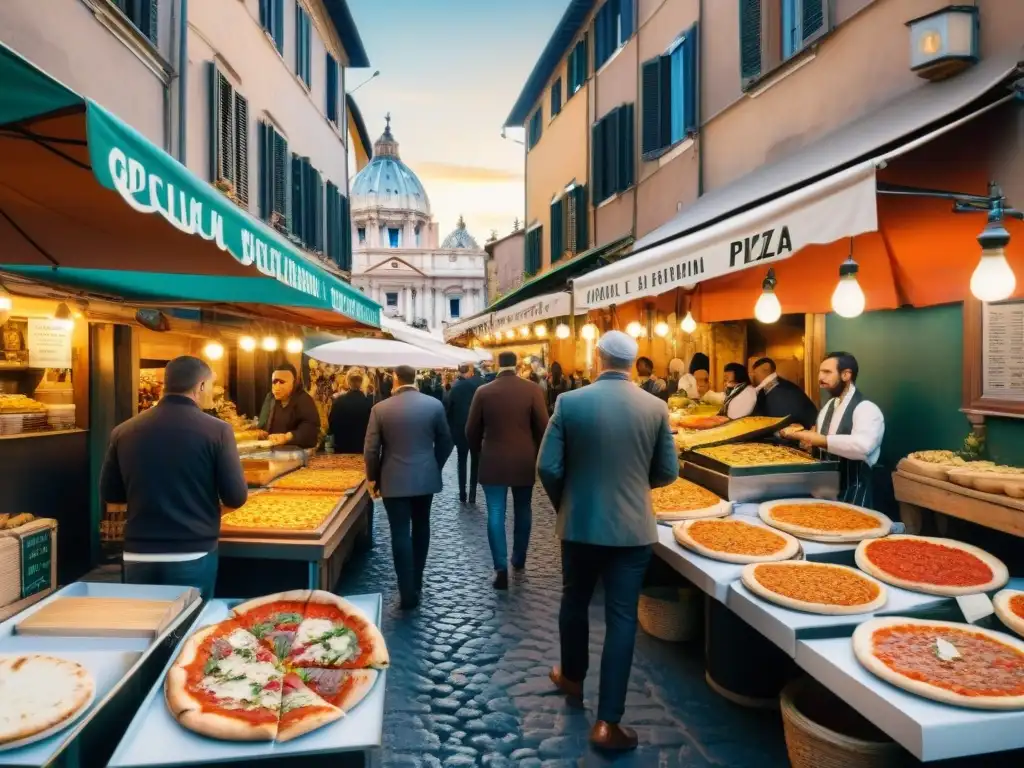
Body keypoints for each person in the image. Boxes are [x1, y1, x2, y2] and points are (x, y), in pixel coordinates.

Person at [537, 331, 678, 751]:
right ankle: (608, 723)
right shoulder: (655, 407)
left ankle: (572, 677)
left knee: (574, 602)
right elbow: (668, 471)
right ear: (634, 364)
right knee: (621, 620)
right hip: (632, 530)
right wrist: (637, 487)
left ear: (597, 357)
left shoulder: (570, 402)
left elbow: (547, 466)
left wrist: (567, 501)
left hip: (580, 524)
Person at [100, 356, 248, 600]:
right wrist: (206, 513)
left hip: (139, 553)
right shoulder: (218, 430)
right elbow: (236, 497)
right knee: (190, 630)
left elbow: (112, 497)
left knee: (144, 629)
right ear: (200, 386)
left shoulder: (123, 431)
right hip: (192, 552)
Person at [364, 365, 453, 609]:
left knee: (399, 532)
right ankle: (417, 579)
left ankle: (406, 591)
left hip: (393, 478)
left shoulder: (379, 409)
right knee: (422, 525)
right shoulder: (433, 405)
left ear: (395, 379)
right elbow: (446, 440)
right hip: (425, 477)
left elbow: (371, 449)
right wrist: (434, 463)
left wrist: (372, 477)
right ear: (414, 379)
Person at [467, 351, 549, 590]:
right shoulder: (532, 389)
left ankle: (500, 567)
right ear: (517, 365)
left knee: (495, 512)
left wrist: (479, 451)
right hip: (523, 459)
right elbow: (544, 428)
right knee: (523, 509)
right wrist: (534, 452)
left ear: (497, 365)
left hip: (493, 459)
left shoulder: (483, 392)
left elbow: (471, 430)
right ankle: (519, 558)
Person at [779, 352, 885, 506]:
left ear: (846, 375)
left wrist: (816, 439)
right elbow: (821, 435)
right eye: (820, 372)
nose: (820, 377)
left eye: (827, 372)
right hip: (824, 488)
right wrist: (806, 437)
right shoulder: (829, 405)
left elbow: (863, 447)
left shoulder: (866, 408)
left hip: (854, 491)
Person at [445, 363, 484, 504]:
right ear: (470, 371)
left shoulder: (455, 388)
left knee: (461, 461)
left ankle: (462, 493)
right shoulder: (479, 386)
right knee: (475, 461)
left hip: (460, 429)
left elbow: (448, 411)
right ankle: (472, 493)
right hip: (476, 429)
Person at [257, 362, 320, 448]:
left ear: (293, 383)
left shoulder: (303, 400)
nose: (277, 386)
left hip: (295, 453)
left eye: (282, 382)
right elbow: (262, 425)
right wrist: (261, 432)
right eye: (274, 382)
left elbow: (310, 430)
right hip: (270, 450)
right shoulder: (270, 398)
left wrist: (287, 437)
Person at [751, 357, 819, 430]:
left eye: (753, 372)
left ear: (766, 366)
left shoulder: (781, 390)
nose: (752, 375)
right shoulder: (773, 388)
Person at [328, 369, 373, 454]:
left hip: (342, 447)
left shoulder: (339, 401)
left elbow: (331, 425)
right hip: (362, 448)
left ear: (348, 382)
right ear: (362, 383)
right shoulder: (369, 402)